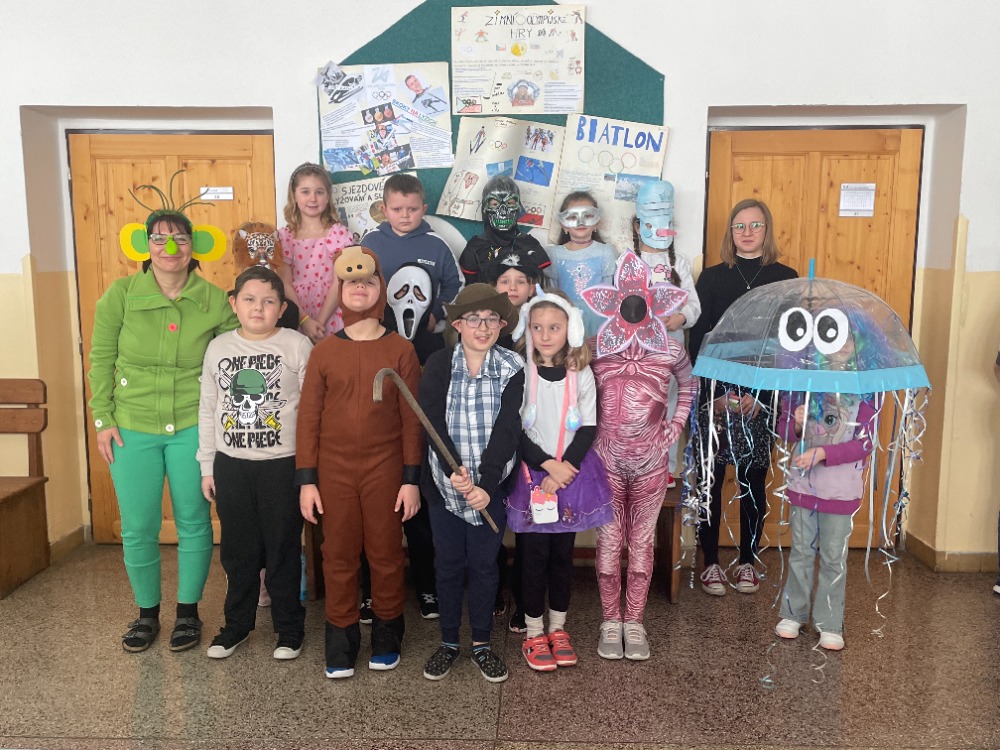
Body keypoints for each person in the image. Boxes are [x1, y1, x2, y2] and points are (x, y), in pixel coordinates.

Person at [89, 207, 238, 653]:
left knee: (194, 521)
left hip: (192, 424)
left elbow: (236, 353)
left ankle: (188, 613)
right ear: (145, 245)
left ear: (195, 246)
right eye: (159, 238)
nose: (169, 247)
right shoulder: (120, 295)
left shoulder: (214, 299)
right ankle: (146, 614)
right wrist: (102, 418)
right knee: (138, 526)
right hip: (131, 426)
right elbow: (100, 359)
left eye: (180, 239)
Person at [297, 246, 424, 679]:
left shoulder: (401, 350)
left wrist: (411, 479)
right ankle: (341, 637)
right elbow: (308, 420)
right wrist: (307, 480)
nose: (360, 288)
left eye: (369, 281)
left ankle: (387, 634)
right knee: (338, 554)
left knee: (385, 553)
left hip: (385, 468)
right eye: (351, 282)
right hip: (333, 471)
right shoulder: (323, 353)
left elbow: (412, 421)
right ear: (340, 290)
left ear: (380, 289)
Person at [359, 172, 464, 620]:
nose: (405, 216)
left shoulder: (436, 245)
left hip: (424, 357)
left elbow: (455, 290)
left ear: (424, 208)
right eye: (397, 209)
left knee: (419, 469)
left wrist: (439, 315)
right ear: (384, 209)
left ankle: (428, 584)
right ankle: (374, 587)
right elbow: (356, 288)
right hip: (376, 358)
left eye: (413, 208)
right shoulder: (369, 243)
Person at [581, 251, 696, 661]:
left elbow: (689, 385)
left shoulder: (670, 351)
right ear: (611, 300)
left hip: (651, 463)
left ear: (654, 300)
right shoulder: (595, 349)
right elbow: (572, 389)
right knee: (610, 542)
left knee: (642, 543)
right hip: (606, 463)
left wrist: (675, 426)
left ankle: (635, 622)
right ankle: (610, 621)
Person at [197, 266, 312, 659]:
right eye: (249, 299)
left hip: (282, 465)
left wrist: (309, 470)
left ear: (282, 308)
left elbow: (313, 412)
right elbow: (208, 408)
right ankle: (237, 625)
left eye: (268, 301)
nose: (258, 308)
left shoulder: (297, 345)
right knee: (238, 550)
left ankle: (289, 628)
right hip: (232, 465)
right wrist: (207, 465)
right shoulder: (219, 348)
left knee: (282, 548)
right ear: (234, 304)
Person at [688, 199, 798, 596]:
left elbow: (786, 346)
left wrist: (760, 397)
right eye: (739, 226)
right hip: (716, 396)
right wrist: (717, 396)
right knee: (711, 480)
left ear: (767, 230)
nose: (747, 232)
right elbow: (698, 341)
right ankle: (710, 563)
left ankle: (748, 561)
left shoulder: (785, 279)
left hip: (761, 399)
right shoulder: (712, 278)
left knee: (753, 480)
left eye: (755, 225)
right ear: (730, 232)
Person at [419, 284, 525, 683]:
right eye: (474, 319)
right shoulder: (439, 364)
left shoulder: (513, 367)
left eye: (491, 319)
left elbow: (508, 428)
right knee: (447, 564)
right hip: (445, 485)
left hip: (489, 487)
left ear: (502, 324)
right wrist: (453, 469)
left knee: (483, 565)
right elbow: (431, 420)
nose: (483, 327)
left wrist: (487, 482)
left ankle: (481, 643)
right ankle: (449, 641)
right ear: (459, 324)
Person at [506, 289, 612, 671]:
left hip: (570, 475)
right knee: (533, 558)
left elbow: (588, 426)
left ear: (571, 329)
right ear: (527, 330)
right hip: (533, 476)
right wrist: (548, 466)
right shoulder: (521, 372)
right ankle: (534, 631)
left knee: (562, 557)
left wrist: (564, 468)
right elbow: (516, 429)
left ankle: (558, 628)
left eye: (554, 327)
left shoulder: (581, 373)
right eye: (537, 328)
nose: (545, 335)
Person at [774, 340, 878, 650]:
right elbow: (784, 430)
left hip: (841, 490)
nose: (843, 344)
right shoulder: (803, 380)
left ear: (861, 343)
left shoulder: (866, 389)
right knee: (801, 553)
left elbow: (864, 443)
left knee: (834, 557)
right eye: (835, 337)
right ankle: (793, 613)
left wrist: (822, 453)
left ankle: (830, 622)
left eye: (849, 338)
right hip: (804, 486)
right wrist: (797, 423)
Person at [631, 181, 701, 489]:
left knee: (671, 406)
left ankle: (666, 467)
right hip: (637, 352)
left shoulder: (679, 263)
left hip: (672, 351)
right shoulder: (627, 262)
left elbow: (694, 305)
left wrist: (681, 318)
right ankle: (638, 465)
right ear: (638, 226)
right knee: (639, 407)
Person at [278, 163, 352, 342]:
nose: (313, 198)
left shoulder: (338, 233)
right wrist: (305, 320)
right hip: (297, 311)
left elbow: (341, 280)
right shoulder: (284, 237)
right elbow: (285, 283)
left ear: (328, 197)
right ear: (294, 195)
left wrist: (320, 321)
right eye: (305, 192)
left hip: (331, 310)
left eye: (319, 192)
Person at [545, 191, 618, 339]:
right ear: (563, 225)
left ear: (596, 222)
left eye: (588, 216)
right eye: (572, 217)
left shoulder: (606, 252)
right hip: (565, 322)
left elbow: (610, 293)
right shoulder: (554, 255)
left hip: (600, 324)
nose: (580, 222)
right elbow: (553, 295)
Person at [459, 175, 552, 286]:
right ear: (485, 208)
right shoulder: (475, 247)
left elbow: (540, 287)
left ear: (518, 207)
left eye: (510, 203)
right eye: (495, 204)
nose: (503, 211)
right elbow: (469, 290)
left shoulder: (530, 245)